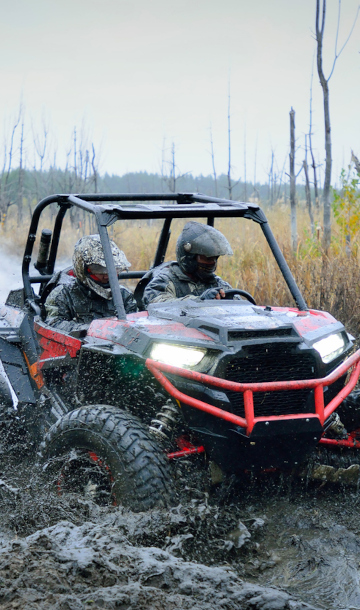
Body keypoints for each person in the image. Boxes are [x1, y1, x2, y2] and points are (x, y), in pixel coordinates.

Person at [45, 234, 137, 335]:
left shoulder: (124, 295)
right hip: (77, 347)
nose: (107, 275)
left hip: (115, 347)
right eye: (99, 270)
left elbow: (135, 324)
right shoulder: (62, 294)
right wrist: (91, 329)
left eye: (112, 269)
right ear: (83, 268)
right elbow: (53, 325)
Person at [143, 221, 234, 307]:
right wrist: (199, 300)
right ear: (189, 258)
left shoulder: (216, 282)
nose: (213, 262)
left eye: (215, 258)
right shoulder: (164, 281)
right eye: (207, 258)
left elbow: (241, 307)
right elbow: (157, 305)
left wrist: (230, 301)